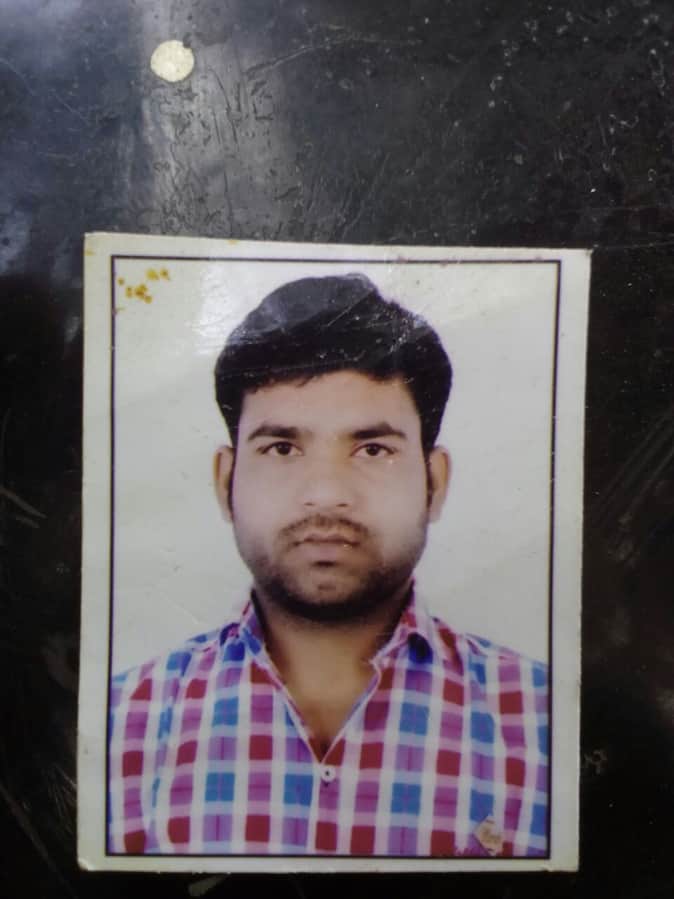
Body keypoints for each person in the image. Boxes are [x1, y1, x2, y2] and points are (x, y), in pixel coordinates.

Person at [107, 274, 548, 858]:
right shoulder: (119, 724)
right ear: (226, 481)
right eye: (282, 448)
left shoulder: (546, 721)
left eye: (372, 449)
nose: (325, 494)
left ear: (434, 483)